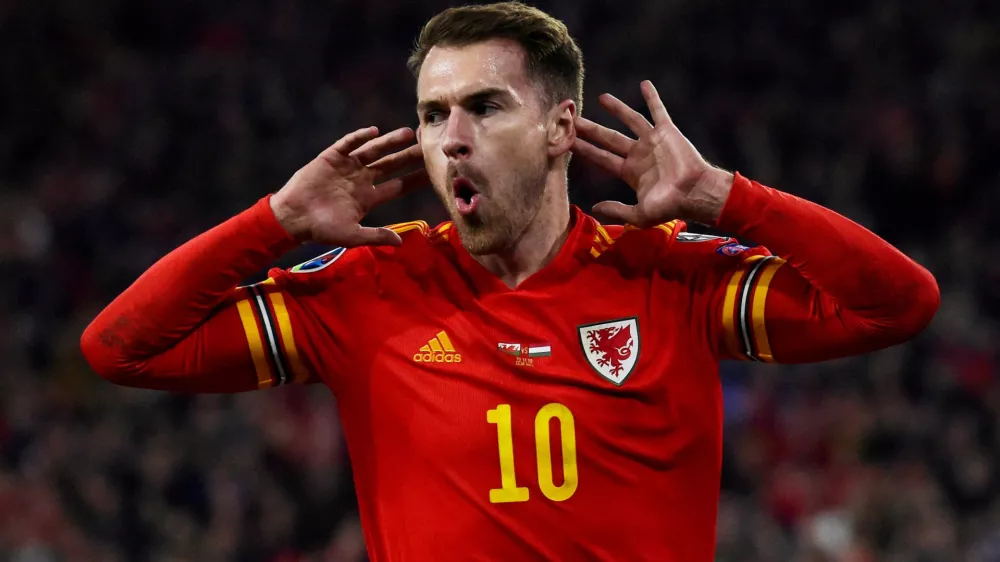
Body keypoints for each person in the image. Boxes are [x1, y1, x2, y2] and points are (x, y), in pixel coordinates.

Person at [80, 2, 940, 560]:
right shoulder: (366, 287)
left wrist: (726, 197)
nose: (450, 137)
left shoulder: (667, 275)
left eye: (484, 107)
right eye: (431, 114)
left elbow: (898, 305)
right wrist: (270, 224)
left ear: (561, 126)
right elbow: (122, 350)